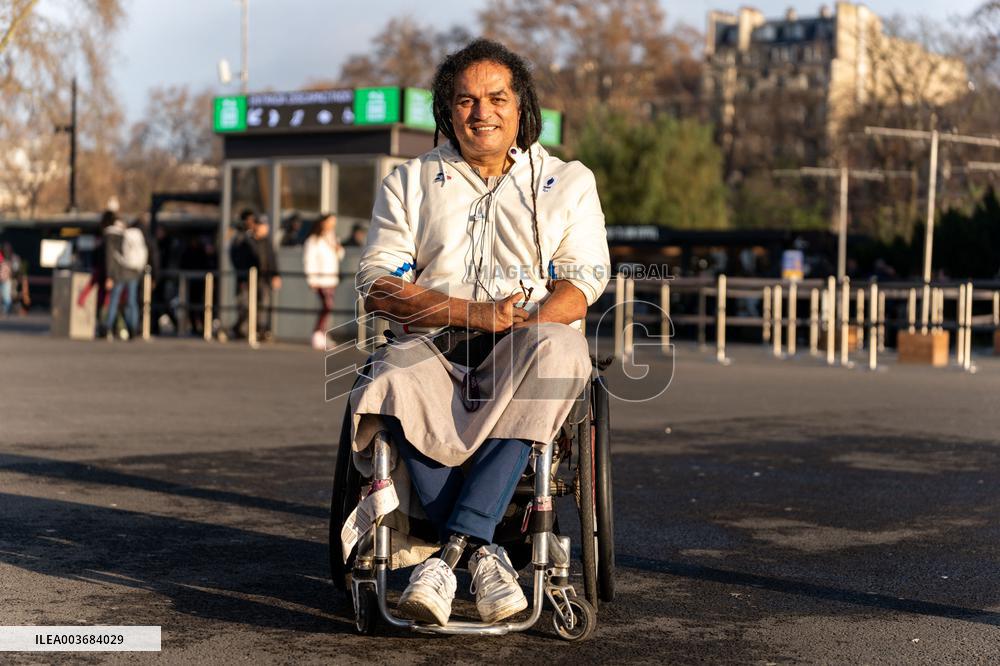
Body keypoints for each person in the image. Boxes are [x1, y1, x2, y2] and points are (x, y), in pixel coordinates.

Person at [349, 39, 609, 627]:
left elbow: (584, 279)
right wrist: (473, 314)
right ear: (447, 111)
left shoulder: (567, 181)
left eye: (497, 98)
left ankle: (449, 555)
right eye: (465, 100)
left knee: (563, 348)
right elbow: (377, 283)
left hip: (525, 347)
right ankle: (483, 552)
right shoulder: (409, 183)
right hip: (433, 347)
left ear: (521, 108)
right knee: (393, 370)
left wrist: (520, 327)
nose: (481, 112)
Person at [303, 213, 344, 349]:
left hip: (331, 278)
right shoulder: (313, 240)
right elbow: (309, 260)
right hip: (320, 279)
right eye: (330, 222)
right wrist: (311, 279)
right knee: (327, 306)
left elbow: (339, 255)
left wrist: (337, 247)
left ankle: (322, 333)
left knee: (328, 307)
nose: (332, 225)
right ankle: (317, 333)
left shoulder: (331, 238)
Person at [103, 216, 145, 339]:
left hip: (120, 273)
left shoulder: (112, 238)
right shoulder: (135, 235)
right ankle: (133, 328)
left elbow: (111, 259)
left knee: (114, 299)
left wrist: (110, 276)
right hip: (134, 272)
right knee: (132, 301)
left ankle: (108, 327)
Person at [250, 215, 281, 340]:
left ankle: (263, 329)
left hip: (265, 278)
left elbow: (272, 260)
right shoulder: (249, 241)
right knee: (251, 304)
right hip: (252, 278)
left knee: (264, 303)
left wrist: (276, 275)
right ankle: (253, 329)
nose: (265, 228)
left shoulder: (267, 242)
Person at [229, 209, 257, 338]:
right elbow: (235, 257)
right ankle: (239, 329)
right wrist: (243, 272)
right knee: (244, 305)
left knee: (256, 305)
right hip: (244, 277)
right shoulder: (240, 238)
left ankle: (250, 329)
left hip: (257, 277)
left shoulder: (255, 236)